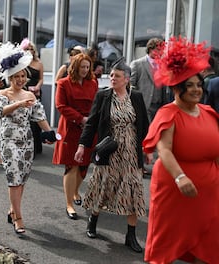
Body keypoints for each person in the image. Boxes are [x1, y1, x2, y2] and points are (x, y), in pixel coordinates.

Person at [143, 36, 219, 263]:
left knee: (207, 241)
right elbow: (164, 150)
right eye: (190, 86)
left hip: (207, 191)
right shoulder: (169, 113)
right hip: (175, 188)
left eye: (199, 85)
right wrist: (181, 178)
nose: (197, 90)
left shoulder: (208, 112)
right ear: (177, 89)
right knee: (167, 241)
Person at [74, 57, 149, 253]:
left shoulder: (137, 97)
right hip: (110, 150)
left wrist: (146, 149)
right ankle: (93, 219)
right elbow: (91, 123)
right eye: (111, 75)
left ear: (127, 78)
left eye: (116, 76)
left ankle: (131, 235)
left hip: (131, 151)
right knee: (104, 187)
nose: (112, 78)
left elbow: (144, 126)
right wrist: (82, 145)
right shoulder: (103, 96)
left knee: (133, 191)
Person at [0, 42, 56, 235]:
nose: (20, 79)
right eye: (16, 76)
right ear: (10, 77)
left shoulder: (30, 95)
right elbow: (1, 111)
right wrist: (18, 103)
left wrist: (49, 133)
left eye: (22, 76)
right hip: (8, 140)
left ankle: (12, 210)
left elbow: (39, 116)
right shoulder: (3, 93)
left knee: (23, 178)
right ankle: (18, 218)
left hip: (27, 140)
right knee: (14, 178)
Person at [52, 53, 98, 220]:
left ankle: (75, 191)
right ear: (75, 67)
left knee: (84, 165)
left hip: (89, 128)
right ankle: (69, 203)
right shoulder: (63, 83)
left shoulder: (93, 82)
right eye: (82, 67)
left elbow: (96, 103)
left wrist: (91, 120)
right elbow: (60, 106)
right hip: (71, 127)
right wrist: (80, 118)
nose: (85, 70)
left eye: (87, 67)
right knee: (72, 165)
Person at [130, 37, 165, 121]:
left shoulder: (163, 65)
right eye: (158, 50)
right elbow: (131, 84)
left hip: (159, 104)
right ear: (150, 49)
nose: (160, 53)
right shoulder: (137, 64)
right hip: (144, 104)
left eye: (161, 50)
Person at [20, 38, 44, 155]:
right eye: (27, 49)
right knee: (26, 120)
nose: (29, 51)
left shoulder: (39, 63)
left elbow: (41, 78)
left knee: (36, 119)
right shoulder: (21, 63)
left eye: (31, 49)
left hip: (36, 92)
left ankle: (36, 146)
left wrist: (37, 87)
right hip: (24, 92)